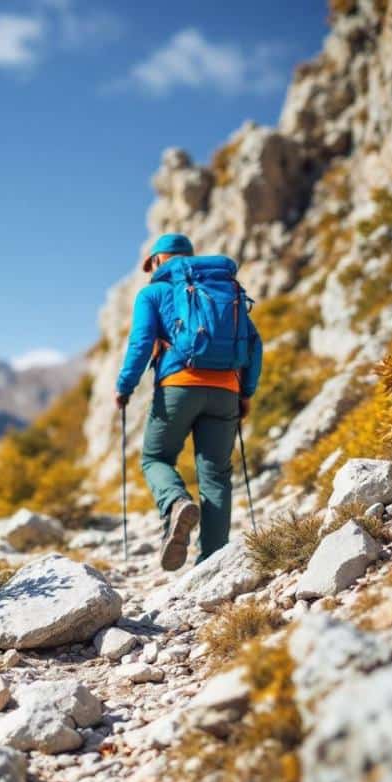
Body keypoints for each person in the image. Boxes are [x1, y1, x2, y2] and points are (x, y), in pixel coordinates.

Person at [114, 233, 263, 571]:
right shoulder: (227, 290)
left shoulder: (152, 292)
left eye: (150, 263)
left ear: (157, 260)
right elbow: (255, 345)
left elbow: (140, 343)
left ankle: (175, 503)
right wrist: (246, 393)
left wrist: (124, 387)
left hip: (178, 387)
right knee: (216, 475)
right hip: (226, 391)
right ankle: (211, 562)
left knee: (155, 458)